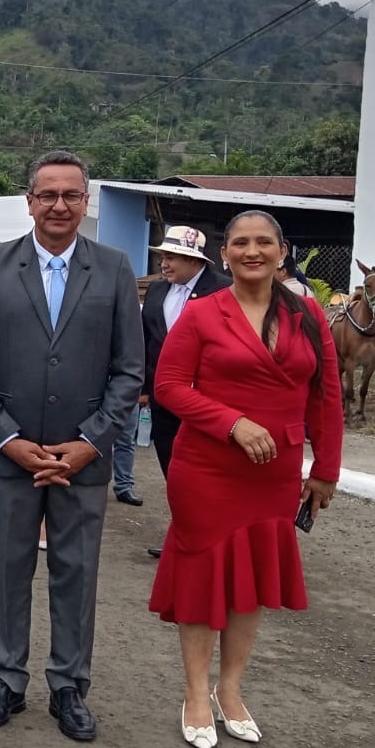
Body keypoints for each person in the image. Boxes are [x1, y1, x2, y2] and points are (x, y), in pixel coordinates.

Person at [0, 150, 142, 743]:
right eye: (47, 195)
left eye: (71, 195)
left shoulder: (114, 269)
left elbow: (128, 371)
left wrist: (91, 442)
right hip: (10, 458)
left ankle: (69, 686)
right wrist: (8, 439)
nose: (58, 205)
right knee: (8, 571)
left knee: (77, 574)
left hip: (81, 461)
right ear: (29, 200)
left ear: (85, 202)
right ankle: (7, 679)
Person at [150, 210, 343, 748]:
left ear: (282, 252)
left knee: (252, 580)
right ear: (225, 254)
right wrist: (231, 422)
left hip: (274, 472)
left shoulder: (308, 314)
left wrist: (325, 470)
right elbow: (168, 385)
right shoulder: (202, 313)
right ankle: (195, 692)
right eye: (239, 243)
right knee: (202, 575)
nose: (251, 251)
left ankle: (229, 689)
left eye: (263, 242)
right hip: (207, 468)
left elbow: (326, 396)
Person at [141, 225, 231, 558]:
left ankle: (212, 541)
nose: (163, 264)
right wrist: (144, 388)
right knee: (174, 471)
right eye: (162, 257)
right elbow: (147, 342)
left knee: (207, 475)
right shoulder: (156, 291)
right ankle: (184, 535)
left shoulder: (224, 290)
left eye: (171, 257)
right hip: (164, 400)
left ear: (194, 260)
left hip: (208, 402)